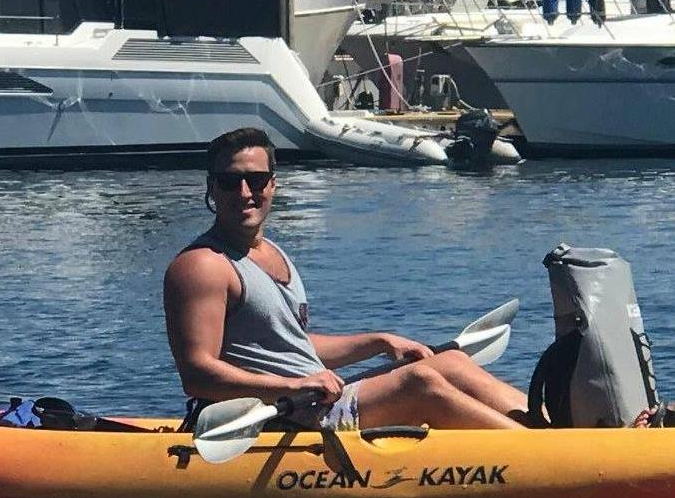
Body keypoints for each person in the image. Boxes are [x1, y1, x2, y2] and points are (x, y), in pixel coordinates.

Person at [162, 126, 529, 431]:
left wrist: (379, 341)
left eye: (255, 180)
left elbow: (289, 344)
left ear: (273, 185)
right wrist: (294, 386)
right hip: (280, 417)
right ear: (212, 188)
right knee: (420, 383)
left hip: (315, 399)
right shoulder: (202, 266)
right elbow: (198, 375)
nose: (244, 193)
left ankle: (557, 430)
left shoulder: (270, 250)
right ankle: (543, 456)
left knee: (451, 363)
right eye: (230, 181)